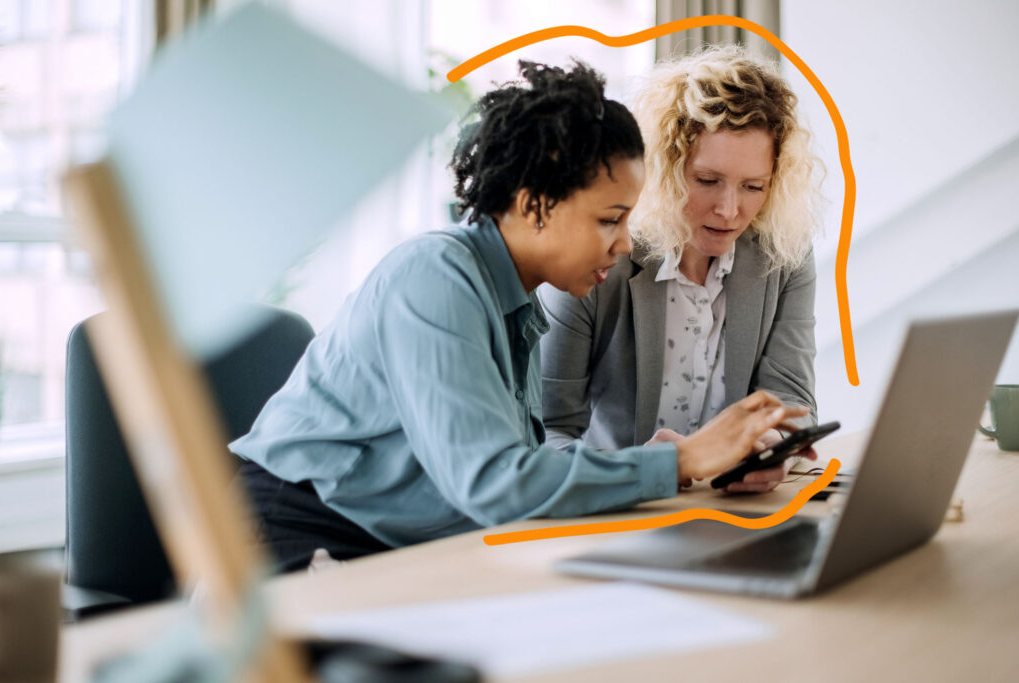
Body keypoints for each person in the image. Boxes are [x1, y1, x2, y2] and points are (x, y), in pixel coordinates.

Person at [230, 60, 807, 572]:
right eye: (609, 219)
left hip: (397, 544)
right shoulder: (435, 276)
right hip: (295, 533)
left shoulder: (515, 298)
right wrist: (677, 460)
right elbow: (493, 484)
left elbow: (521, 468)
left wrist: (652, 463)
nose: (626, 243)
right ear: (535, 207)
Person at [540, 46, 823, 494]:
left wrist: (774, 446)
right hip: (616, 507)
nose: (729, 209)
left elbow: (791, 400)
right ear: (664, 170)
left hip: (729, 508)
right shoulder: (596, 256)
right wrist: (642, 468)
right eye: (707, 181)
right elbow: (545, 432)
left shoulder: (783, 255)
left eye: (753, 187)